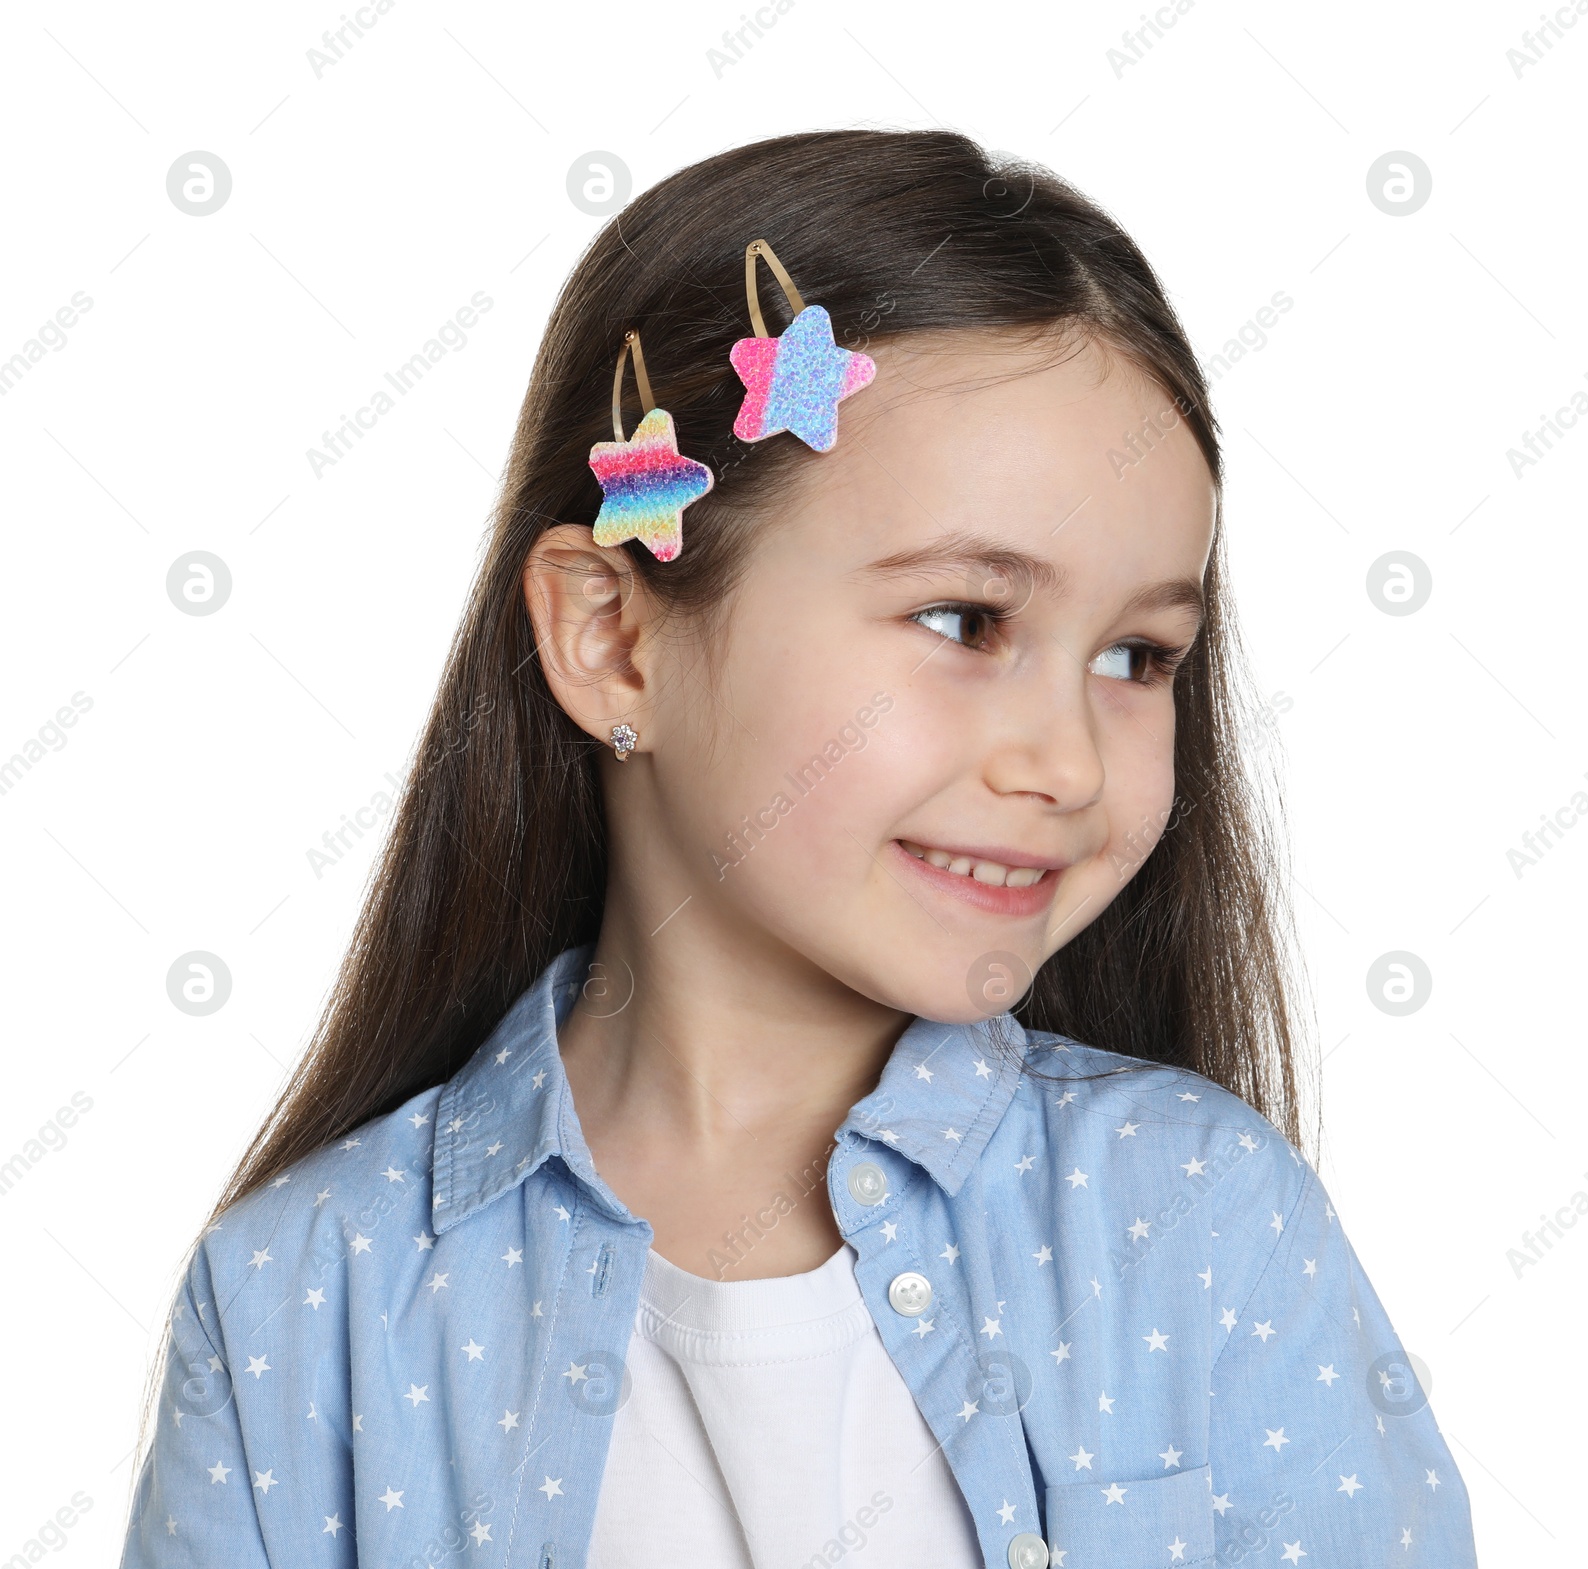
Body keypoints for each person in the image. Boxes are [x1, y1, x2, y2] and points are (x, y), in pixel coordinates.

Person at [119, 128, 1477, 1568]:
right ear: (613, 637)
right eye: (965, 620)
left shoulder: (1204, 1226)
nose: (1070, 762)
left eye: (1140, 655)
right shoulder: (301, 1304)